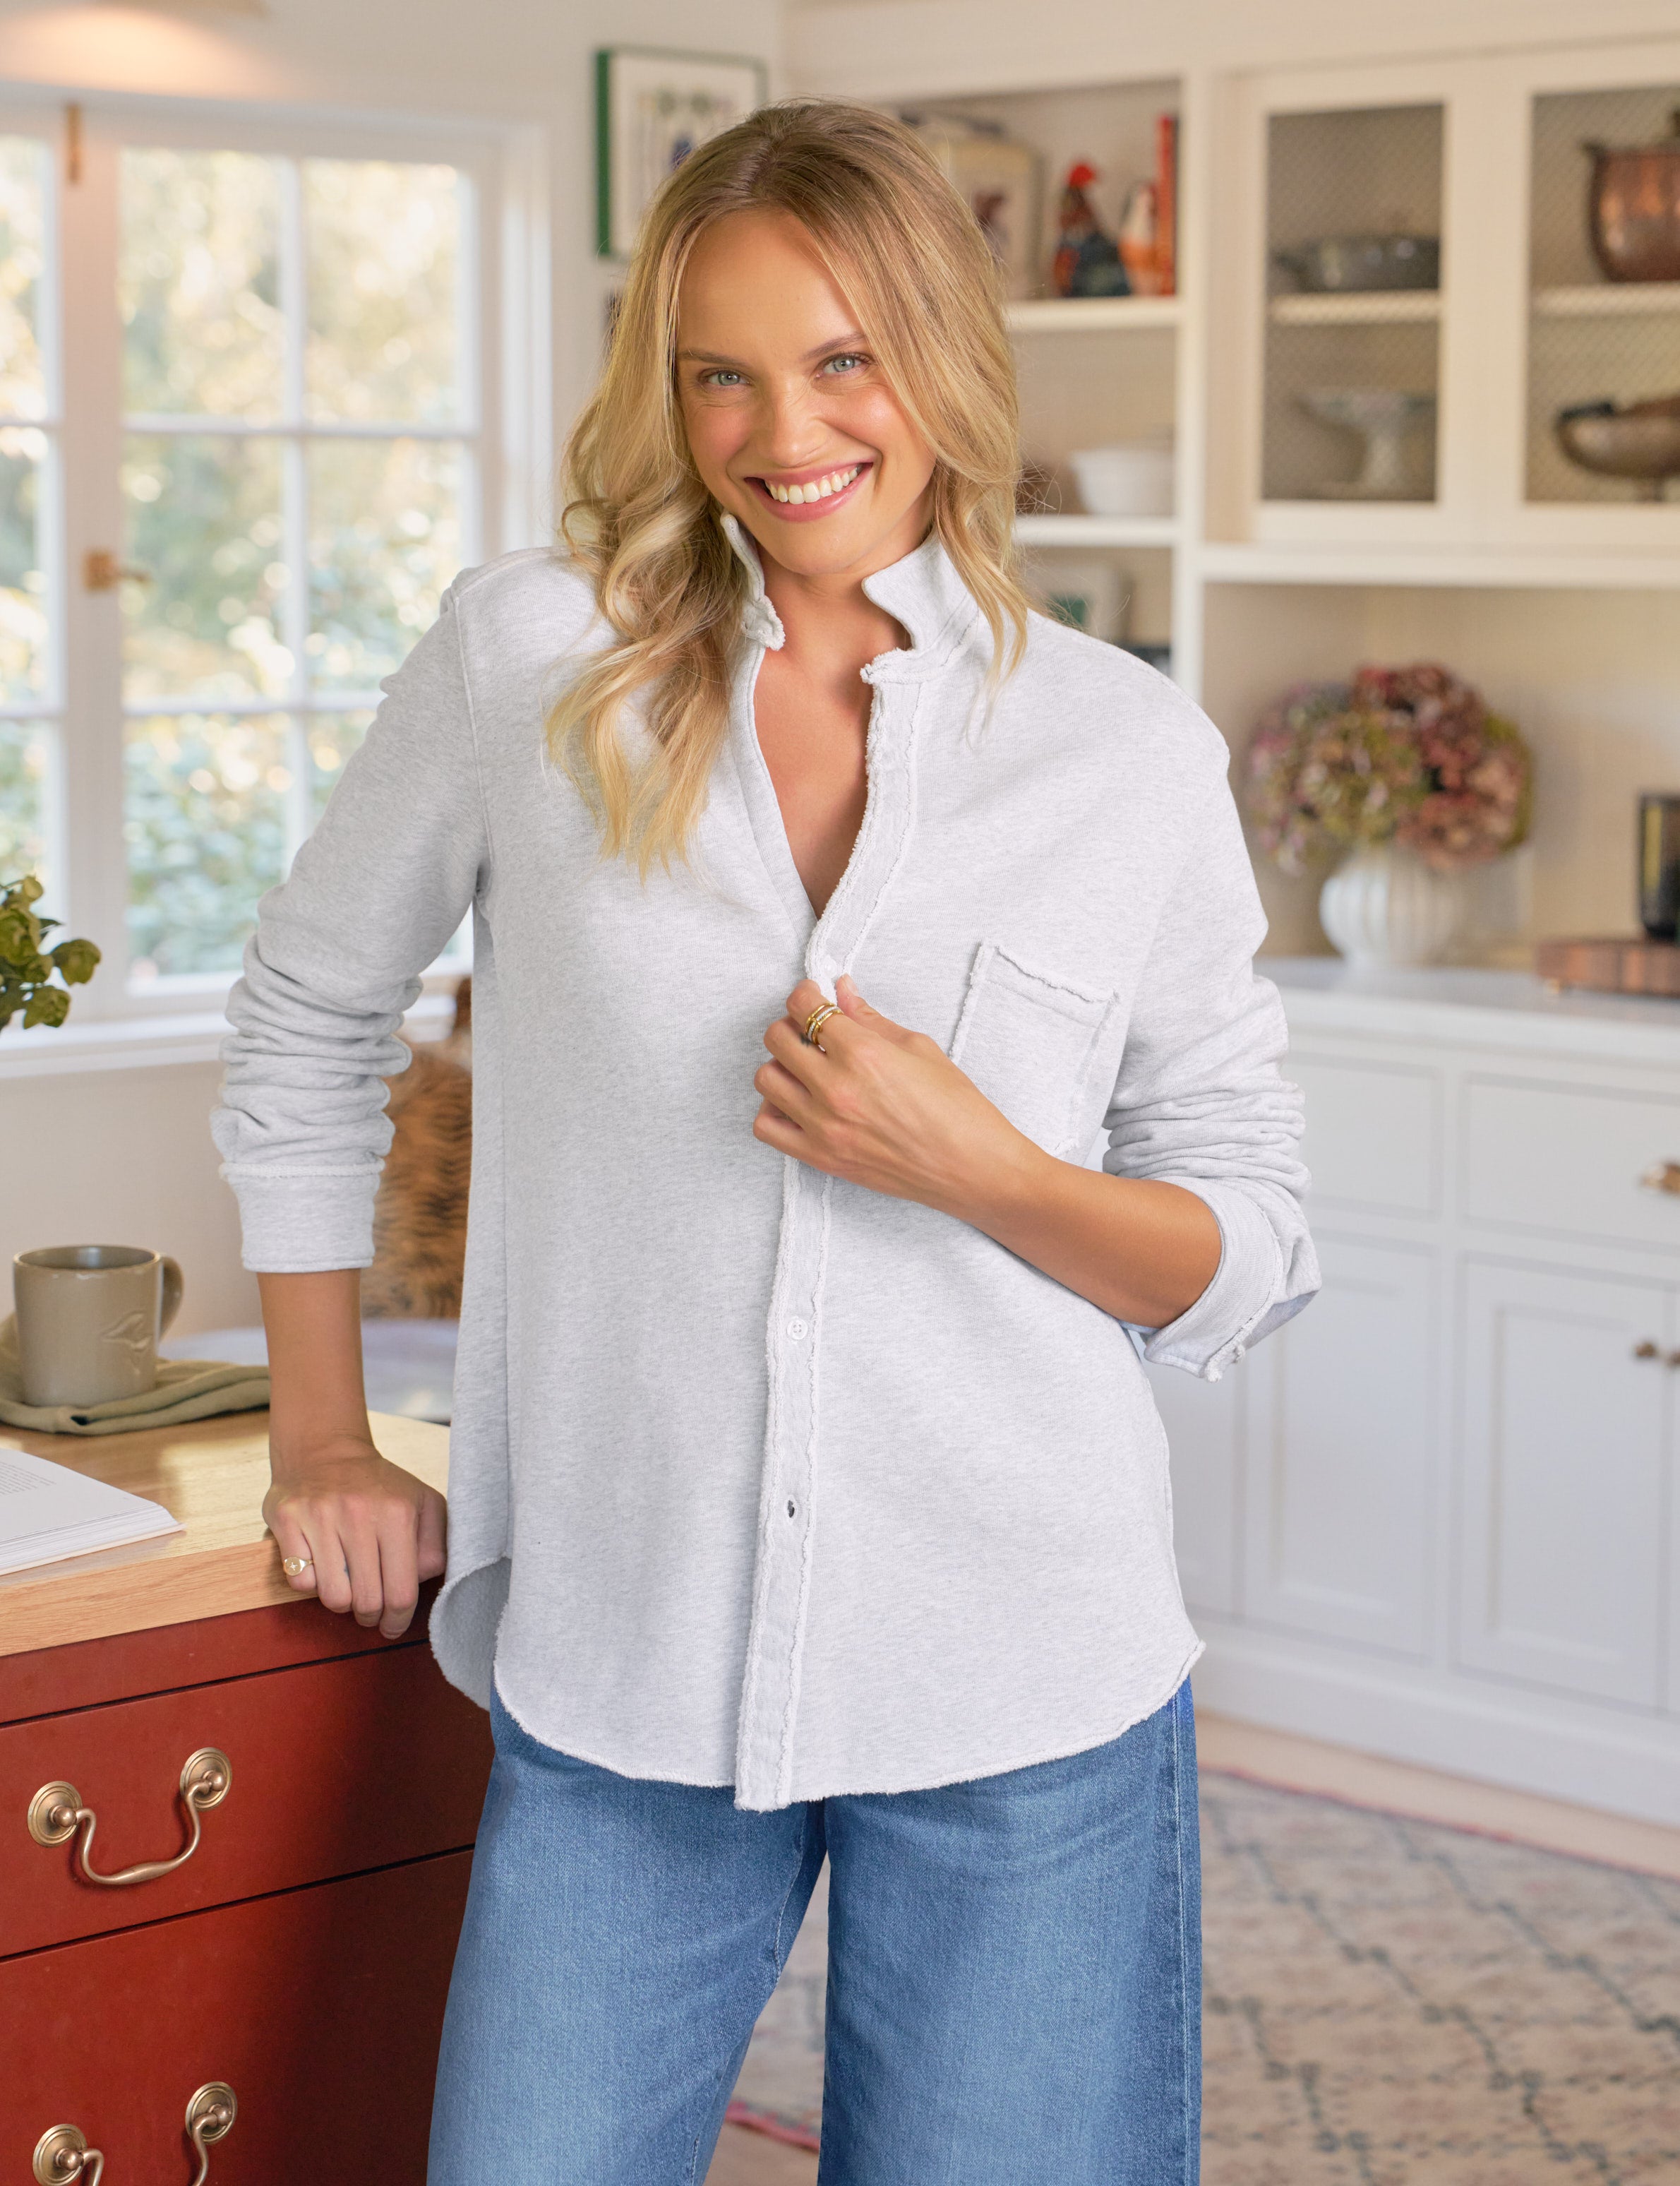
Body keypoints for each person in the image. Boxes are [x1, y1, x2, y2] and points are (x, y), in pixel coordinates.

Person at [213, 100, 1317, 2186]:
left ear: (941, 360)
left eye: (842, 361)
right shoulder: (532, 662)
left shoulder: (1122, 750)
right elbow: (307, 1014)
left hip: (1024, 1674)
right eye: (719, 372)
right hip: (625, 1648)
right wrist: (324, 1436)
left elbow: (1250, 1242)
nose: (782, 432)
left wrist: (982, 1168)